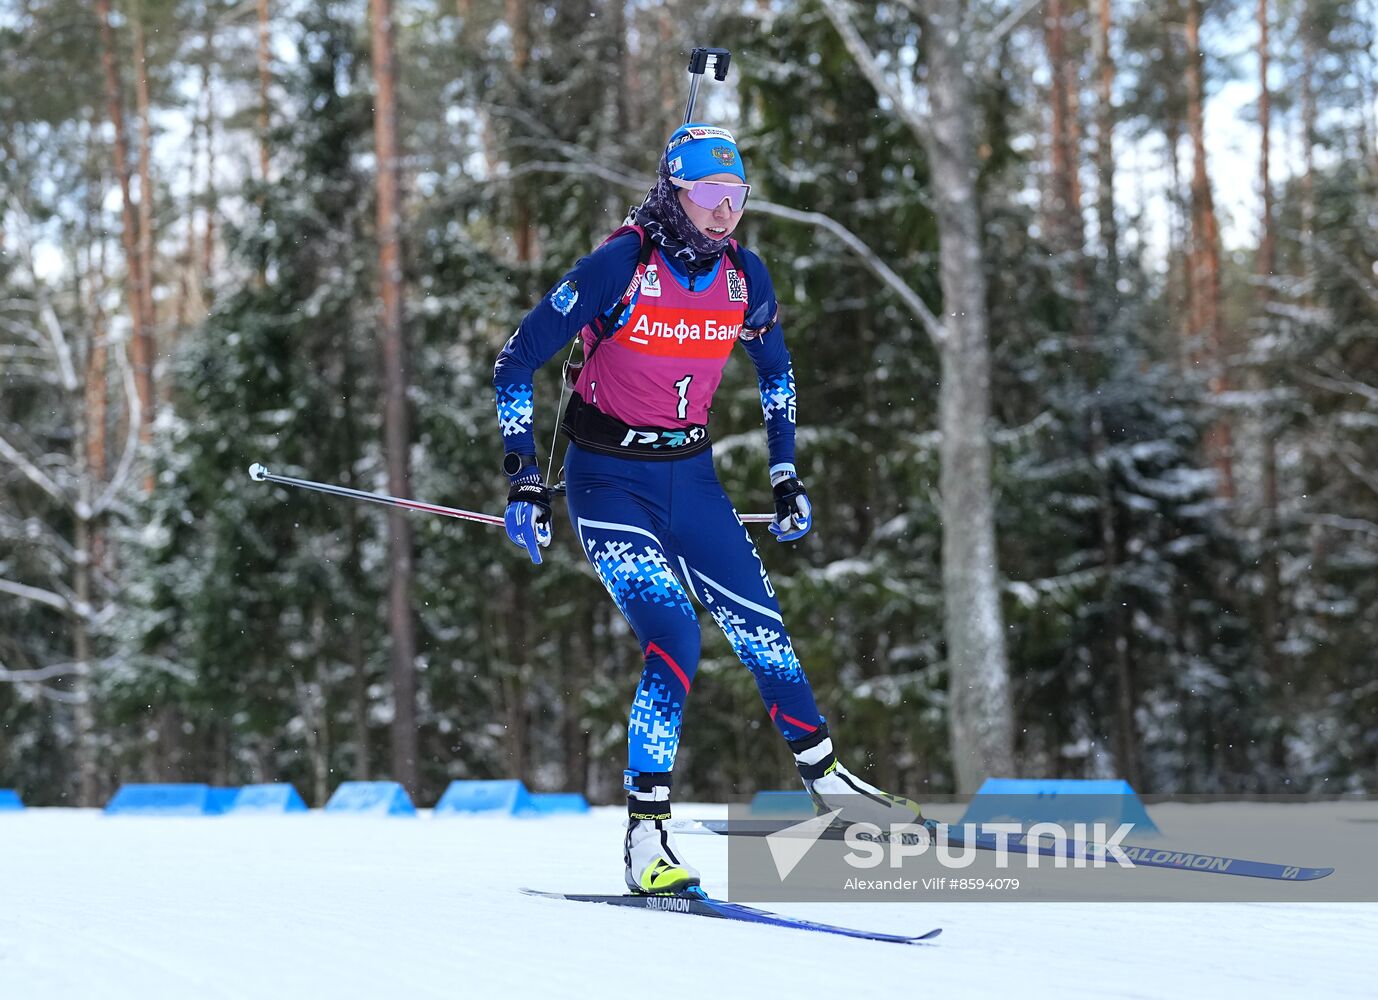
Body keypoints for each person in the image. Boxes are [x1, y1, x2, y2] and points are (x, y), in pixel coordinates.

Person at [493, 123, 924, 896]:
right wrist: (524, 475)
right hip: (607, 483)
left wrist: (785, 475)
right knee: (676, 636)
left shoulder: (743, 277)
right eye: (709, 195)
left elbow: (778, 374)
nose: (726, 212)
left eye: (737, 196)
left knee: (763, 628)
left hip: (692, 480)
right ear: (674, 193)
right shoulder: (620, 264)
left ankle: (828, 783)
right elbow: (515, 361)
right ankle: (646, 837)